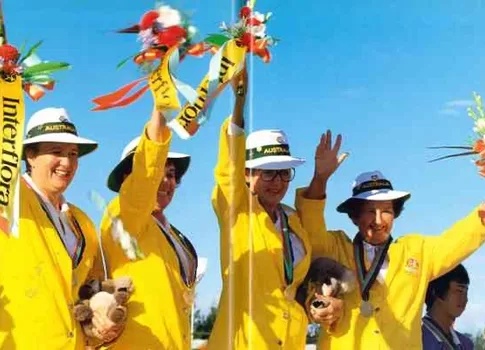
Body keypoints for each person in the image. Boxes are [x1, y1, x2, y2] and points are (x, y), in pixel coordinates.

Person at [296, 136, 485, 349]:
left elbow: (461, 237)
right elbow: (310, 225)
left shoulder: (417, 252)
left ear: (395, 214)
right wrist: (320, 178)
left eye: (386, 211)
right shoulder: (335, 248)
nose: (378, 220)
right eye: (369, 211)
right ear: (354, 216)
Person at [207, 71, 343, 349]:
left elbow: (296, 281)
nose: (277, 181)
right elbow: (226, 170)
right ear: (247, 174)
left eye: (283, 173)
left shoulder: (292, 219)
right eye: (268, 173)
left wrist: (320, 178)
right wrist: (239, 101)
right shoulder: (236, 209)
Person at [0, 107, 121, 349]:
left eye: (73, 153)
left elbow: (90, 289)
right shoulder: (9, 199)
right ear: (29, 156)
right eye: (56, 151)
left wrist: (101, 322)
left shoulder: (83, 222)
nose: (67, 162)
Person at [100, 105, 197, 349]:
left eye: (172, 173)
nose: (165, 181)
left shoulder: (172, 234)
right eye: (157, 172)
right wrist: (160, 111)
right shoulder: (122, 215)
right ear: (127, 180)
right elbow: (143, 181)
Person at [422, 264, 474, 350]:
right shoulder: (415, 339)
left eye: (466, 292)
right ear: (437, 292)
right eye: (459, 291)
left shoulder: (465, 344)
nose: (465, 299)